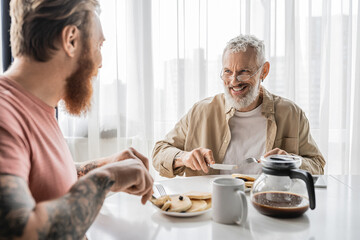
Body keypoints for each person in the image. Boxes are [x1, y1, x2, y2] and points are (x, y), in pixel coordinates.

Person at [0, 0, 153, 239]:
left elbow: (42, 177)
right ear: (71, 40)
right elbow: (21, 230)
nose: (100, 62)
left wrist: (107, 163)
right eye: (99, 45)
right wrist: (107, 178)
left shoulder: (37, 107)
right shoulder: (4, 113)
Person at [152, 34, 325, 178]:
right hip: (212, 207)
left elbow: (318, 165)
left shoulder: (291, 114)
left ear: (264, 71)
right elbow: (159, 152)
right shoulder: (202, 112)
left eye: (244, 72)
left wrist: (293, 162)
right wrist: (184, 157)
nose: (234, 81)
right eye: (228, 71)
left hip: (269, 204)